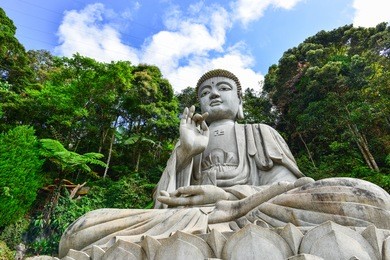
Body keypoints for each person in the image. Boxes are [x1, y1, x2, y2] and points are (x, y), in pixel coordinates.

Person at [59, 69, 390, 257]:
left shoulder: (260, 131)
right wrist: (186, 152)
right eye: (205, 92)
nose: (213, 94)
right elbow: (163, 206)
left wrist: (226, 199)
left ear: (240, 100)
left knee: (368, 197)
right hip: (190, 219)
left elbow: (290, 187)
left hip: (256, 210)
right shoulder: (187, 142)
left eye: (223, 88)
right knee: (84, 228)